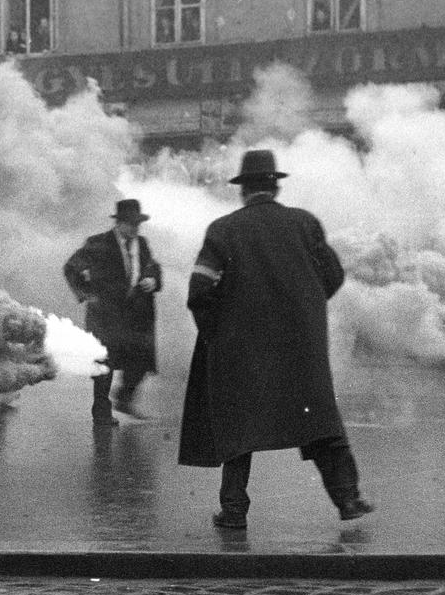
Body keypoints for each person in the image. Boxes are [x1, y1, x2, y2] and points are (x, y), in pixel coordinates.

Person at [178, 149, 373, 529]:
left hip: (241, 349)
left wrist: (217, 330)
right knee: (320, 423)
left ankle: (233, 511)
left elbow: (200, 288)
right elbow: (332, 276)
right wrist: (306, 310)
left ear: (243, 190)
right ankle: (348, 500)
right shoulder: (305, 224)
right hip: (301, 348)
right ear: (275, 186)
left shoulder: (223, 230)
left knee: (239, 430)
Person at [63, 198, 162, 423]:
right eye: (130, 223)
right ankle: (101, 413)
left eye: (138, 223)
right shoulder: (98, 243)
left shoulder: (142, 244)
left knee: (140, 361)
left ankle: (124, 399)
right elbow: (71, 268)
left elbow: (153, 267)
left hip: (136, 317)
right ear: (119, 223)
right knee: (104, 365)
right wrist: (86, 293)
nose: (135, 228)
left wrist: (152, 279)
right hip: (106, 316)